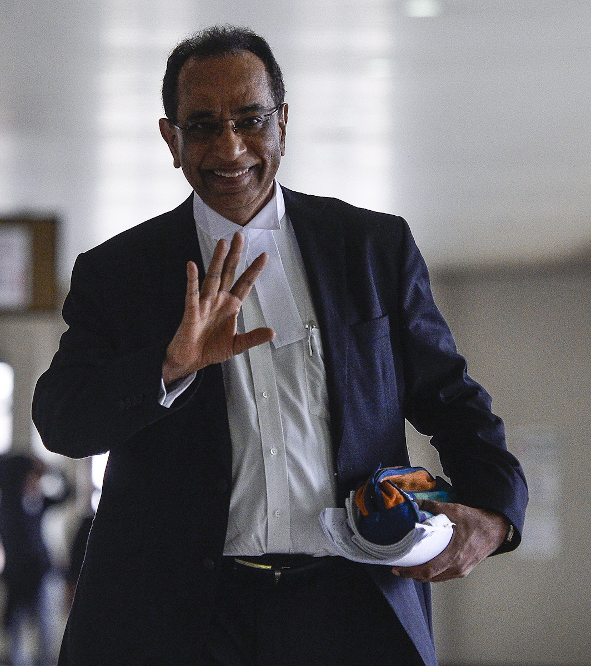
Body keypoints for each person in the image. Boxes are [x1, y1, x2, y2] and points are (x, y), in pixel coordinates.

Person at [31, 25, 528, 666]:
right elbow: (62, 420)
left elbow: (450, 398)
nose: (230, 146)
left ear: (283, 122)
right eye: (203, 125)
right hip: (180, 617)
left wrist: (493, 512)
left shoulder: (372, 249)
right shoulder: (120, 272)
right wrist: (169, 366)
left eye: (250, 119)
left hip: (351, 601)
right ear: (171, 140)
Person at [0, 455, 68, 666]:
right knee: (16, 625)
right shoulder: (9, 506)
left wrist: (54, 471)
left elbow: (67, 494)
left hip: (40, 572)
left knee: (45, 624)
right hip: (17, 575)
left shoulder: (38, 502)